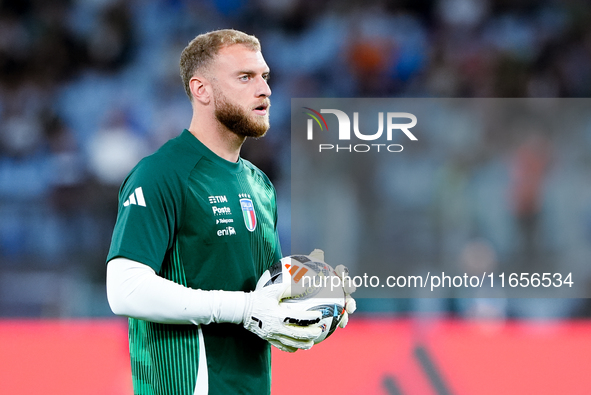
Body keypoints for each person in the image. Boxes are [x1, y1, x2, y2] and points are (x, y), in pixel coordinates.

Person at [105, 29, 354, 395]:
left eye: (265, 77)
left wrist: (318, 304)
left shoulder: (260, 185)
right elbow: (124, 289)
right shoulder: (162, 173)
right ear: (201, 89)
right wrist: (243, 308)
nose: (265, 89)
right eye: (245, 77)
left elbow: (263, 299)